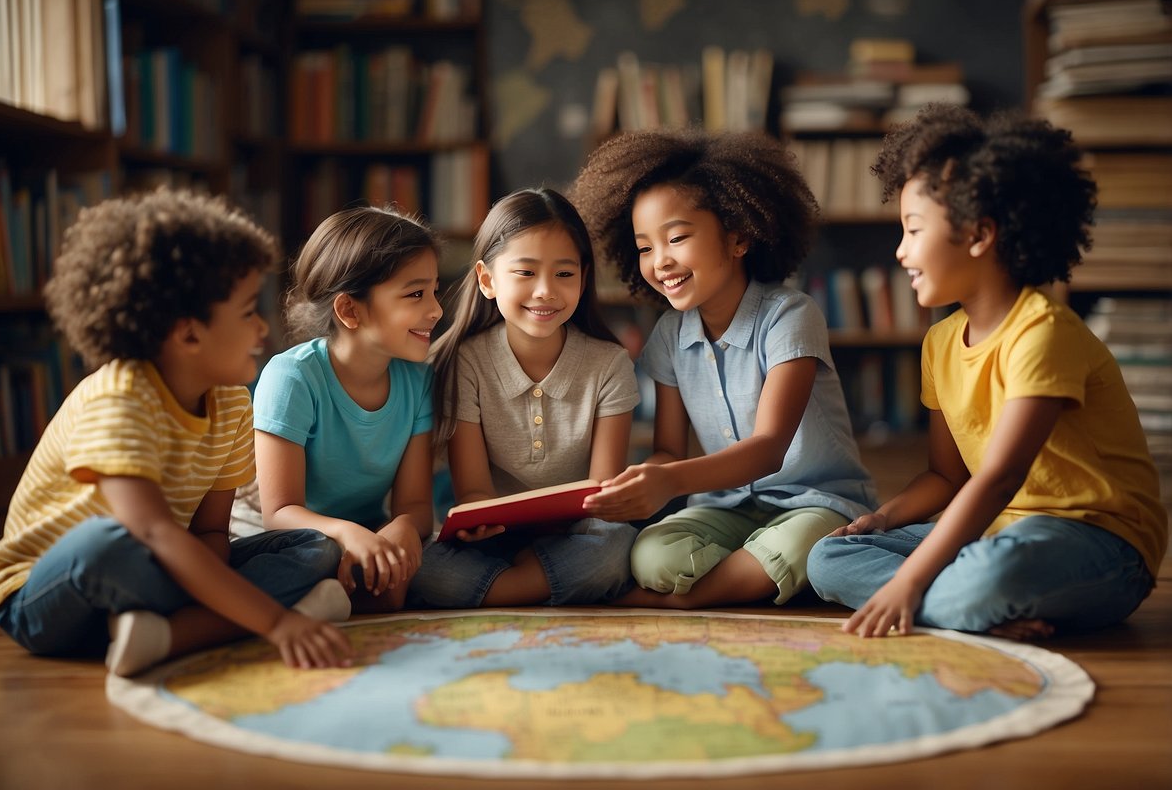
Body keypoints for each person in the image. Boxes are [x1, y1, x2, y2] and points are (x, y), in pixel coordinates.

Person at [806, 104, 1167, 640]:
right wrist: (884, 519)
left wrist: (909, 582)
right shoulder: (941, 342)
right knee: (827, 558)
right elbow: (948, 478)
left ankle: (957, 603)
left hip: (1099, 544)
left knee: (992, 574)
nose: (901, 252)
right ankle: (972, 611)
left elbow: (998, 479)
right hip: (993, 535)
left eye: (912, 230)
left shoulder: (1043, 332)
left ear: (979, 235)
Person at [0, 188, 353, 678]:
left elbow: (210, 533)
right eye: (246, 312)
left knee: (314, 547)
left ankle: (166, 633)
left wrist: (223, 583)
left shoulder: (231, 401)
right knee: (105, 544)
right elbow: (153, 532)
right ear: (189, 334)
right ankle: (223, 621)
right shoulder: (120, 398)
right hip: (45, 595)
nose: (263, 328)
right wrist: (278, 622)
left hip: (164, 572)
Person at [571, 128, 877, 610]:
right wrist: (639, 480)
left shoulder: (790, 316)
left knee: (800, 544)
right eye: (645, 247)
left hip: (815, 502)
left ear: (738, 237)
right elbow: (670, 451)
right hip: (723, 508)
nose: (660, 261)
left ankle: (685, 599)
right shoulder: (670, 336)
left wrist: (670, 482)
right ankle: (751, 578)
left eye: (676, 237)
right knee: (652, 557)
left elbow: (768, 450)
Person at [409, 188, 640, 608]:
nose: (545, 291)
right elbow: (475, 492)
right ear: (487, 280)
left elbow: (603, 497)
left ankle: (504, 593)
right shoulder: (467, 362)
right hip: (496, 541)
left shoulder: (610, 364)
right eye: (526, 272)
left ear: (584, 278)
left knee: (615, 547)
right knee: (424, 568)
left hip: (578, 536)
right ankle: (541, 588)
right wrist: (481, 523)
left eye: (564, 274)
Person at [252, 206, 441, 613]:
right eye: (415, 294)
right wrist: (349, 535)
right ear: (350, 310)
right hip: (293, 535)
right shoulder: (292, 378)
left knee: (438, 562)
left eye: (434, 291)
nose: (436, 310)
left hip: (366, 534)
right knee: (319, 554)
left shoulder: (418, 381)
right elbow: (279, 513)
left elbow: (415, 506)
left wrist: (403, 529)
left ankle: (328, 601)